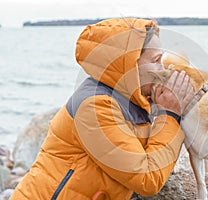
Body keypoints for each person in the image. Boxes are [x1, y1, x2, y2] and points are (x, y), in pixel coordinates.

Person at [10, 18, 194, 200]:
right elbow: (147, 179)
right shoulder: (95, 107)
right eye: (156, 60)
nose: (162, 69)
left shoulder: (129, 99)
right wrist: (169, 115)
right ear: (127, 64)